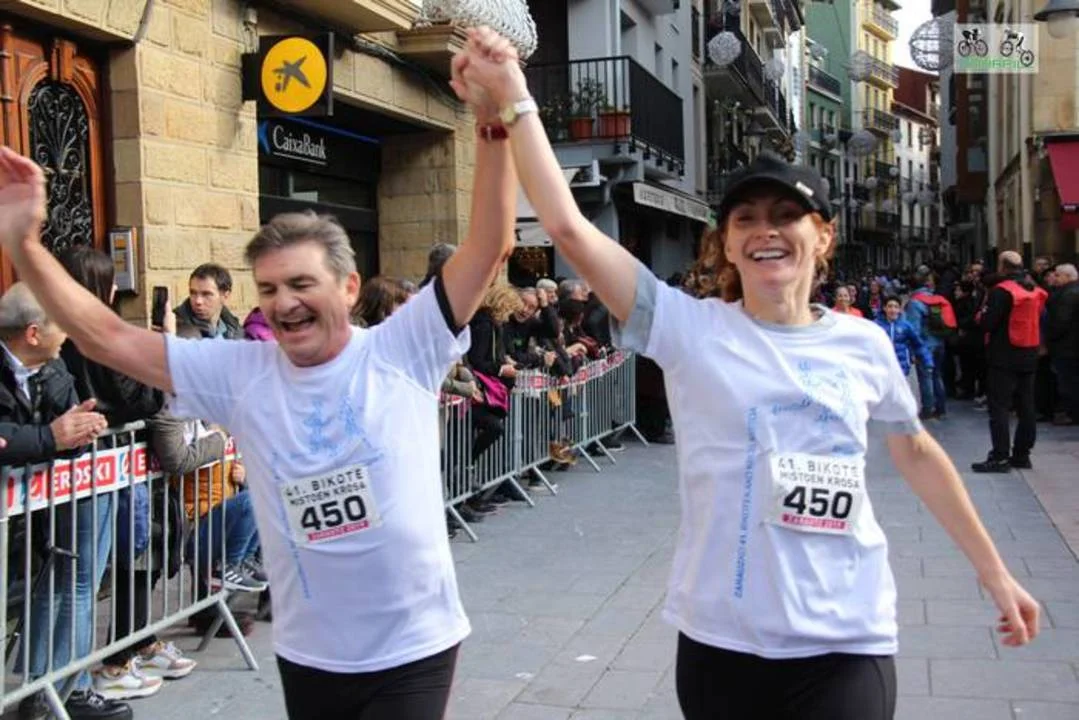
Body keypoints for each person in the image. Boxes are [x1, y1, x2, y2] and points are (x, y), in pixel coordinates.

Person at [453, 29, 1040, 719]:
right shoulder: (689, 329)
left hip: (844, 638)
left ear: (822, 236)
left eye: (788, 216)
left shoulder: (862, 343)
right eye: (746, 218)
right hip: (721, 641)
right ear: (727, 243)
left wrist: (993, 571)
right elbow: (569, 228)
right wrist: (515, 98)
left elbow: (915, 452)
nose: (767, 230)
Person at [0, 30, 517, 719]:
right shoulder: (241, 371)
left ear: (348, 287)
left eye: (301, 284)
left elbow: (489, 243)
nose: (283, 303)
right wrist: (22, 241)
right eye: (269, 289)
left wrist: (494, 119)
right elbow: (105, 335)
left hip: (413, 646)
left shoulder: (402, 347)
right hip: (309, 653)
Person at [972, 251, 1048, 473]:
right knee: (1027, 406)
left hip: (1003, 355)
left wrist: (981, 315)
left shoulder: (1001, 291)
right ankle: (1022, 455)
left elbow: (987, 323)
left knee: (999, 407)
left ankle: (1000, 456)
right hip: (1029, 353)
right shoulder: (1034, 289)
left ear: (1002, 266)